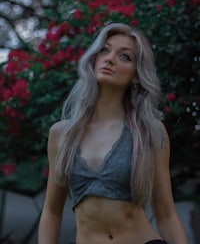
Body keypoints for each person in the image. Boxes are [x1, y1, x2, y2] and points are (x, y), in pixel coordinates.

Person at [38, 23, 188, 244]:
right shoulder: (62, 134)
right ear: (94, 59)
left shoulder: (150, 132)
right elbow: (51, 212)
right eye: (104, 50)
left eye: (124, 57)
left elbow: (166, 215)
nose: (109, 59)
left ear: (136, 75)